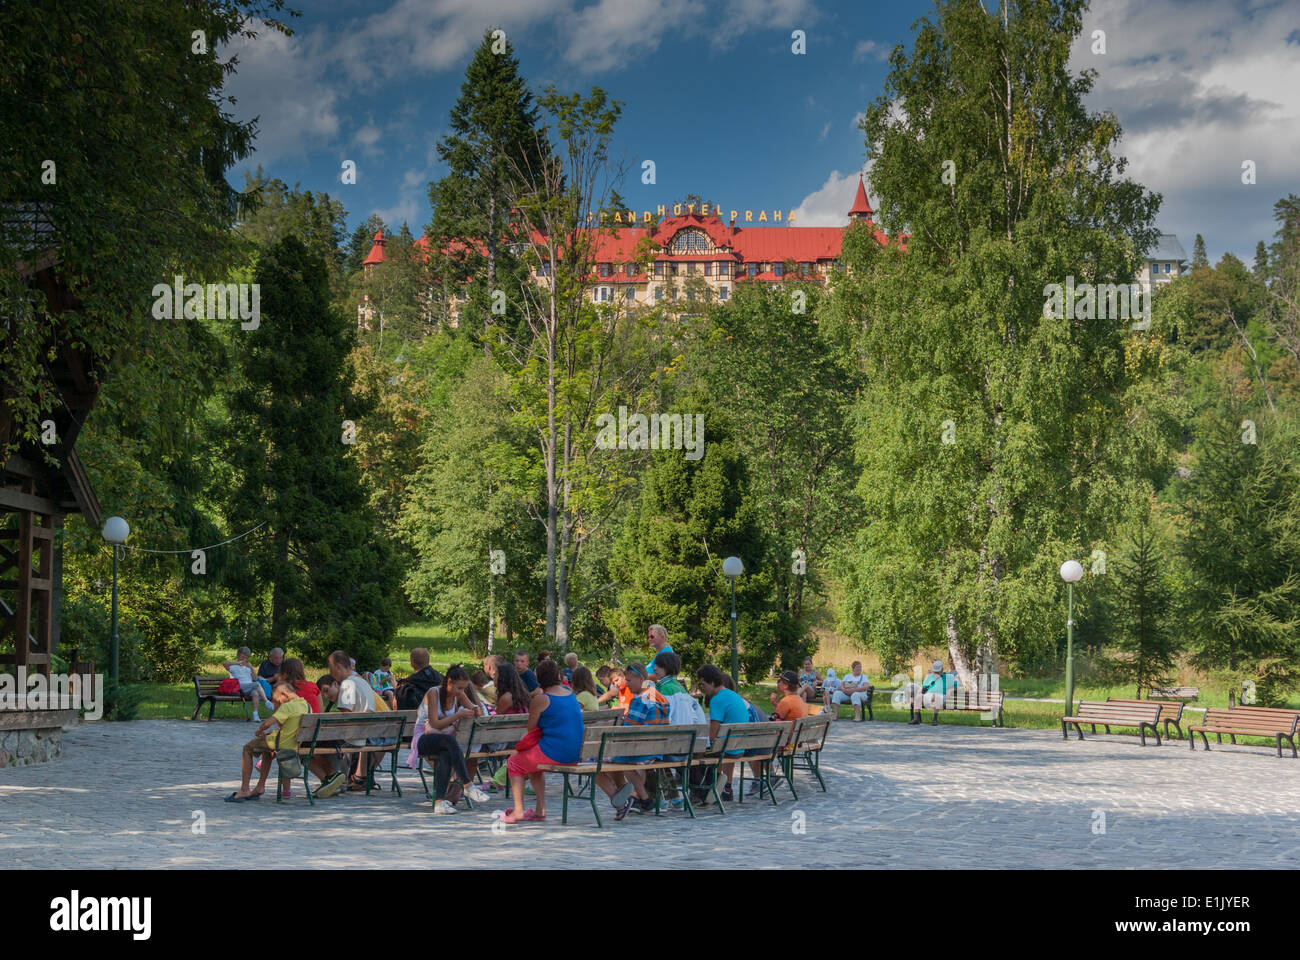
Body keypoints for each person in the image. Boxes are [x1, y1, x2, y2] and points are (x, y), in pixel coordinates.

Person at [502, 658, 583, 824]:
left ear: (539, 678)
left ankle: (518, 811)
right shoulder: (570, 694)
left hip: (554, 752)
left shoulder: (542, 699)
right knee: (533, 766)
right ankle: (540, 810)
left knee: (514, 762)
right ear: (559, 676)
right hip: (574, 753)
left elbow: (531, 727)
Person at [592, 662, 669, 819]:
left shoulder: (639, 700)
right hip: (657, 749)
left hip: (642, 751)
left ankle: (631, 799)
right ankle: (639, 798)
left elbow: (627, 729)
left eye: (629, 680)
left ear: (640, 679)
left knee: (596, 763)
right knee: (622, 761)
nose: (626, 684)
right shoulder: (658, 696)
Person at [413, 665, 490, 814]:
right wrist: (458, 715)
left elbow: (476, 710)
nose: (462, 692)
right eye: (459, 688)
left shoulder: (458, 695)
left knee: (446, 754)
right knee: (450, 742)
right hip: (424, 738)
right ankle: (468, 785)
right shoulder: (433, 693)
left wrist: (475, 709)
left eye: (464, 689)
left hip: (442, 739)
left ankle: (439, 803)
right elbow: (434, 723)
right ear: (449, 682)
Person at [225, 683, 309, 802]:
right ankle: (260, 787)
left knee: (247, 748)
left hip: (281, 743)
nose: (279, 703)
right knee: (267, 752)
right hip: (294, 744)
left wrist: (259, 730)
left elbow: (267, 723)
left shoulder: (288, 706)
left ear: (284, 694)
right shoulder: (306, 705)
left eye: (278, 700)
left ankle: (244, 789)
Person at [695, 664, 752, 802]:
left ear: (712, 682)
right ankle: (726, 788)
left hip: (726, 749)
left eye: (703, 684)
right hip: (738, 747)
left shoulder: (717, 699)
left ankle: (704, 792)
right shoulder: (733, 695)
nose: (702, 688)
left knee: (693, 755)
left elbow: (713, 734)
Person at [222, 647, 271, 721]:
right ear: (238, 655)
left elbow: (255, 678)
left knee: (255, 693)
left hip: (249, 687)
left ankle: (255, 715)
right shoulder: (233, 667)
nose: (243, 659)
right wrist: (237, 663)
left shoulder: (248, 668)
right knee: (256, 684)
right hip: (239, 688)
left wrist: (251, 667)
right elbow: (224, 663)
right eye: (242, 657)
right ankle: (266, 702)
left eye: (245, 658)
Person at [909, 660, 959, 725]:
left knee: (936, 697)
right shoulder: (930, 677)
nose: (936, 673)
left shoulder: (948, 677)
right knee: (918, 697)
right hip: (928, 696)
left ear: (942, 670)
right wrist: (918, 693)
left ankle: (935, 719)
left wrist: (950, 690)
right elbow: (923, 686)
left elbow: (956, 687)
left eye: (938, 671)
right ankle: (917, 719)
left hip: (940, 696)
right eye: (935, 671)